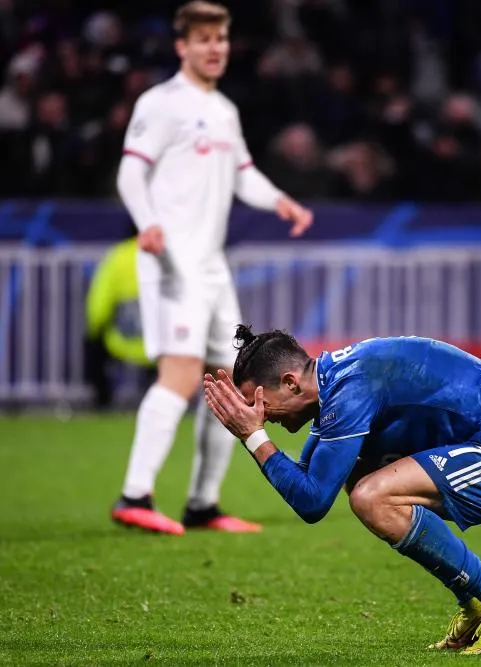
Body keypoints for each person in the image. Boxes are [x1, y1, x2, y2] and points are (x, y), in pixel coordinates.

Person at [202, 326, 481, 655]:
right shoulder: (337, 385)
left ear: (291, 383)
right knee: (357, 476)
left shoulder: (351, 387)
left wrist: (253, 437)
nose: (260, 414)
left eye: (260, 403)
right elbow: (310, 490)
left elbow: (312, 500)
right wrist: (255, 437)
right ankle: (475, 602)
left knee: (372, 496)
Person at [112, 1, 314, 535]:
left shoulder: (223, 110)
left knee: (233, 385)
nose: (215, 47)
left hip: (211, 267)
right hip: (172, 260)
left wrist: (280, 202)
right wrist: (147, 222)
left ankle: (203, 504)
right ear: (182, 46)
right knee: (179, 376)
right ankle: (134, 494)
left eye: (221, 38)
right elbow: (131, 174)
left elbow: (242, 174)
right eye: (203, 39)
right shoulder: (161, 104)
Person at [84, 233, 155, 411]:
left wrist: (94, 332)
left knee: (92, 348)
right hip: (162, 347)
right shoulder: (168, 257)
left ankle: (103, 403)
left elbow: (98, 306)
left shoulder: (117, 257)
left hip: (122, 343)